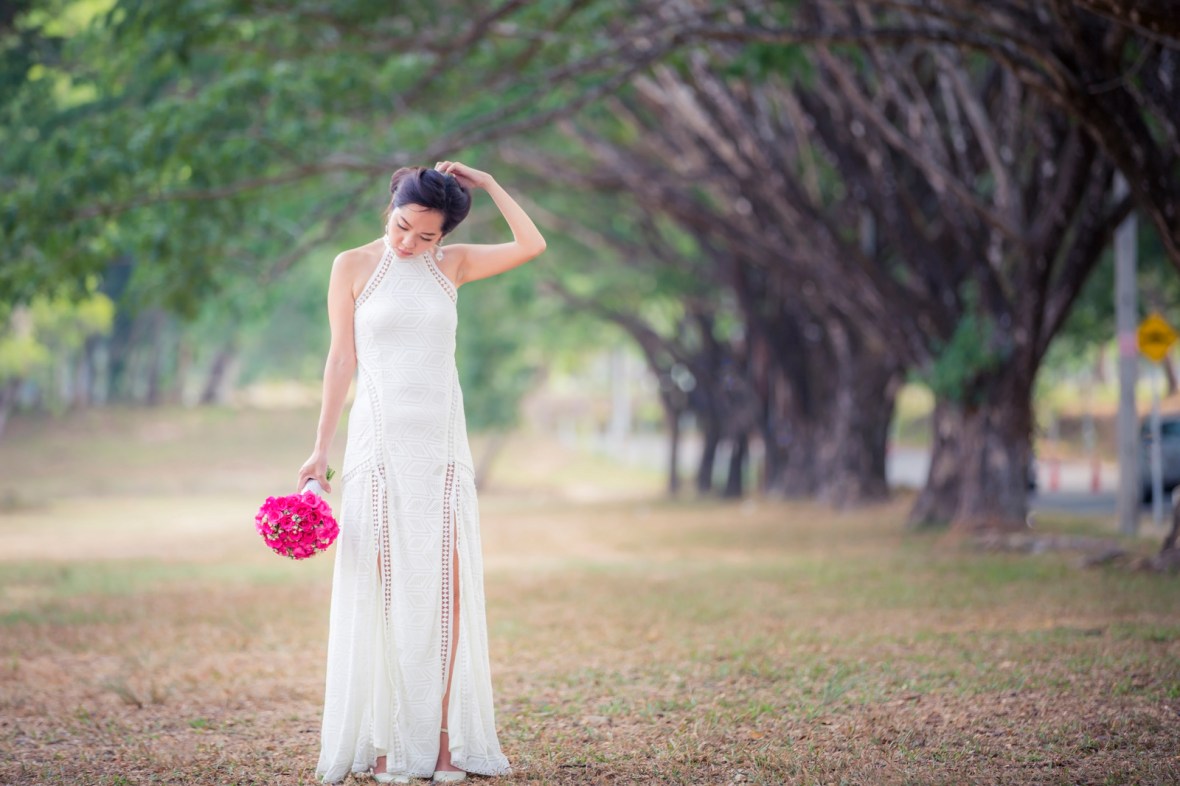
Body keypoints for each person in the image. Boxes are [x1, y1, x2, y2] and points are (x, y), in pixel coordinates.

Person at [298, 162, 546, 784]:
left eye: (425, 237)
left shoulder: (453, 266)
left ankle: (439, 747)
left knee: (443, 597)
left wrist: (488, 184)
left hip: (440, 450)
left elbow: (531, 245)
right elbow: (339, 360)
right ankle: (384, 746)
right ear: (390, 207)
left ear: (445, 238)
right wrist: (319, 450)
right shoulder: (351, 267)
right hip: (378, 447)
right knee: (384, 599)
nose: (408, 244)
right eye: (403, 227)